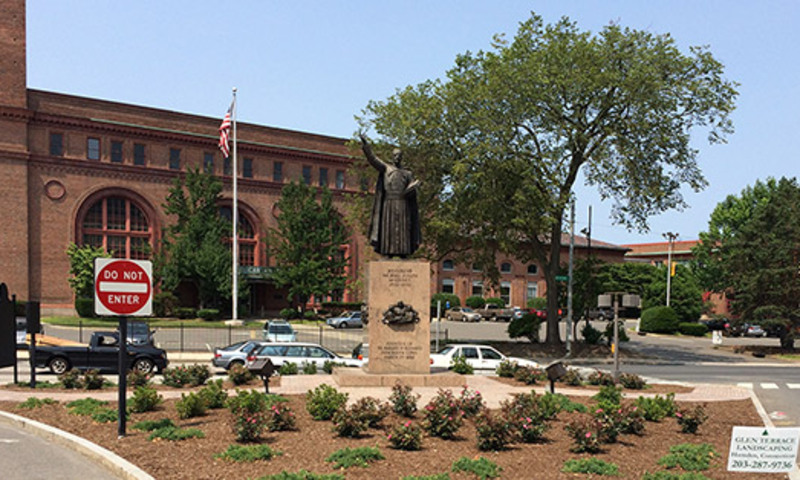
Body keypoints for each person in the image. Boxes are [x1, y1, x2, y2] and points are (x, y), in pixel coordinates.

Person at [359, 134, 421, 258]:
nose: (397, 157)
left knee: (403, 228)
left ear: (401, 157)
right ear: (392, 157)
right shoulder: (386, 168)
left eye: (399, 156)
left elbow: (412, 191)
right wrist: (366, 145)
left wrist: (414, 188)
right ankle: (388, 252)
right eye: (395, 155)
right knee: (389, 229)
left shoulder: (407, 173)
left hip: (403, 204)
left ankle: (404, 252)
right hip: (389, 203)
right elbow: (373, 159)